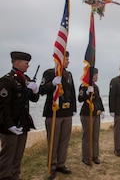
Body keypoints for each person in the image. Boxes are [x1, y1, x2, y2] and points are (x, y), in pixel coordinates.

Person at [0, 51, 39, 180]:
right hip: (9, 125)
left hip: (23, 123)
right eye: (26, 63)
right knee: (7, 156)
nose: (28, 66)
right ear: (17, 62)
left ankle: (15, 176)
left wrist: (34, 90)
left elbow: (34, 99)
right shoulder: (7, 80)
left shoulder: (26, 79)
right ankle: (4, 176)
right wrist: (9, 125)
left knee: (18, 155)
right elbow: (3, 106)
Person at [39, 51, 76, 180]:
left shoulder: (69, 74)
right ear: (59, 60)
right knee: (53, 141)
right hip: (53, 112)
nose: (68, 61)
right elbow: (41, 90)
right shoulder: (49, 73)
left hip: (66, 112)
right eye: (66, 59)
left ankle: (61, 163)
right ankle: (52, 165)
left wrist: (74, 109)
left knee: (64, 140)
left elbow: (72, 92)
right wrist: (52, 84)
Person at [78, 68, 105, 166]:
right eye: (96, 75)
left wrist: (102, 110)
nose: (97, 77)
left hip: (95, 114)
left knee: (95, 136)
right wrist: (86, 93)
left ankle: (95, 155)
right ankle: (86, 157)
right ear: (91, 76)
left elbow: (98, 99)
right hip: (86, 114)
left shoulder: (96, 87)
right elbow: (80, 99)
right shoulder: (84, 86)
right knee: (87, 136)